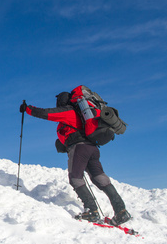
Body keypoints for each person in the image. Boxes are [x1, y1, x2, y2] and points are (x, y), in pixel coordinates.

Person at [19, 92, 131, 225]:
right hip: (92, 149)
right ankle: (121, 211)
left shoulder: (69, 111)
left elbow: (47, 113)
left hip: (79, 149)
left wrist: (28, 109)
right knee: (100, 178)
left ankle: (91, 211)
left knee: (75, 178)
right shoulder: (82, 115)